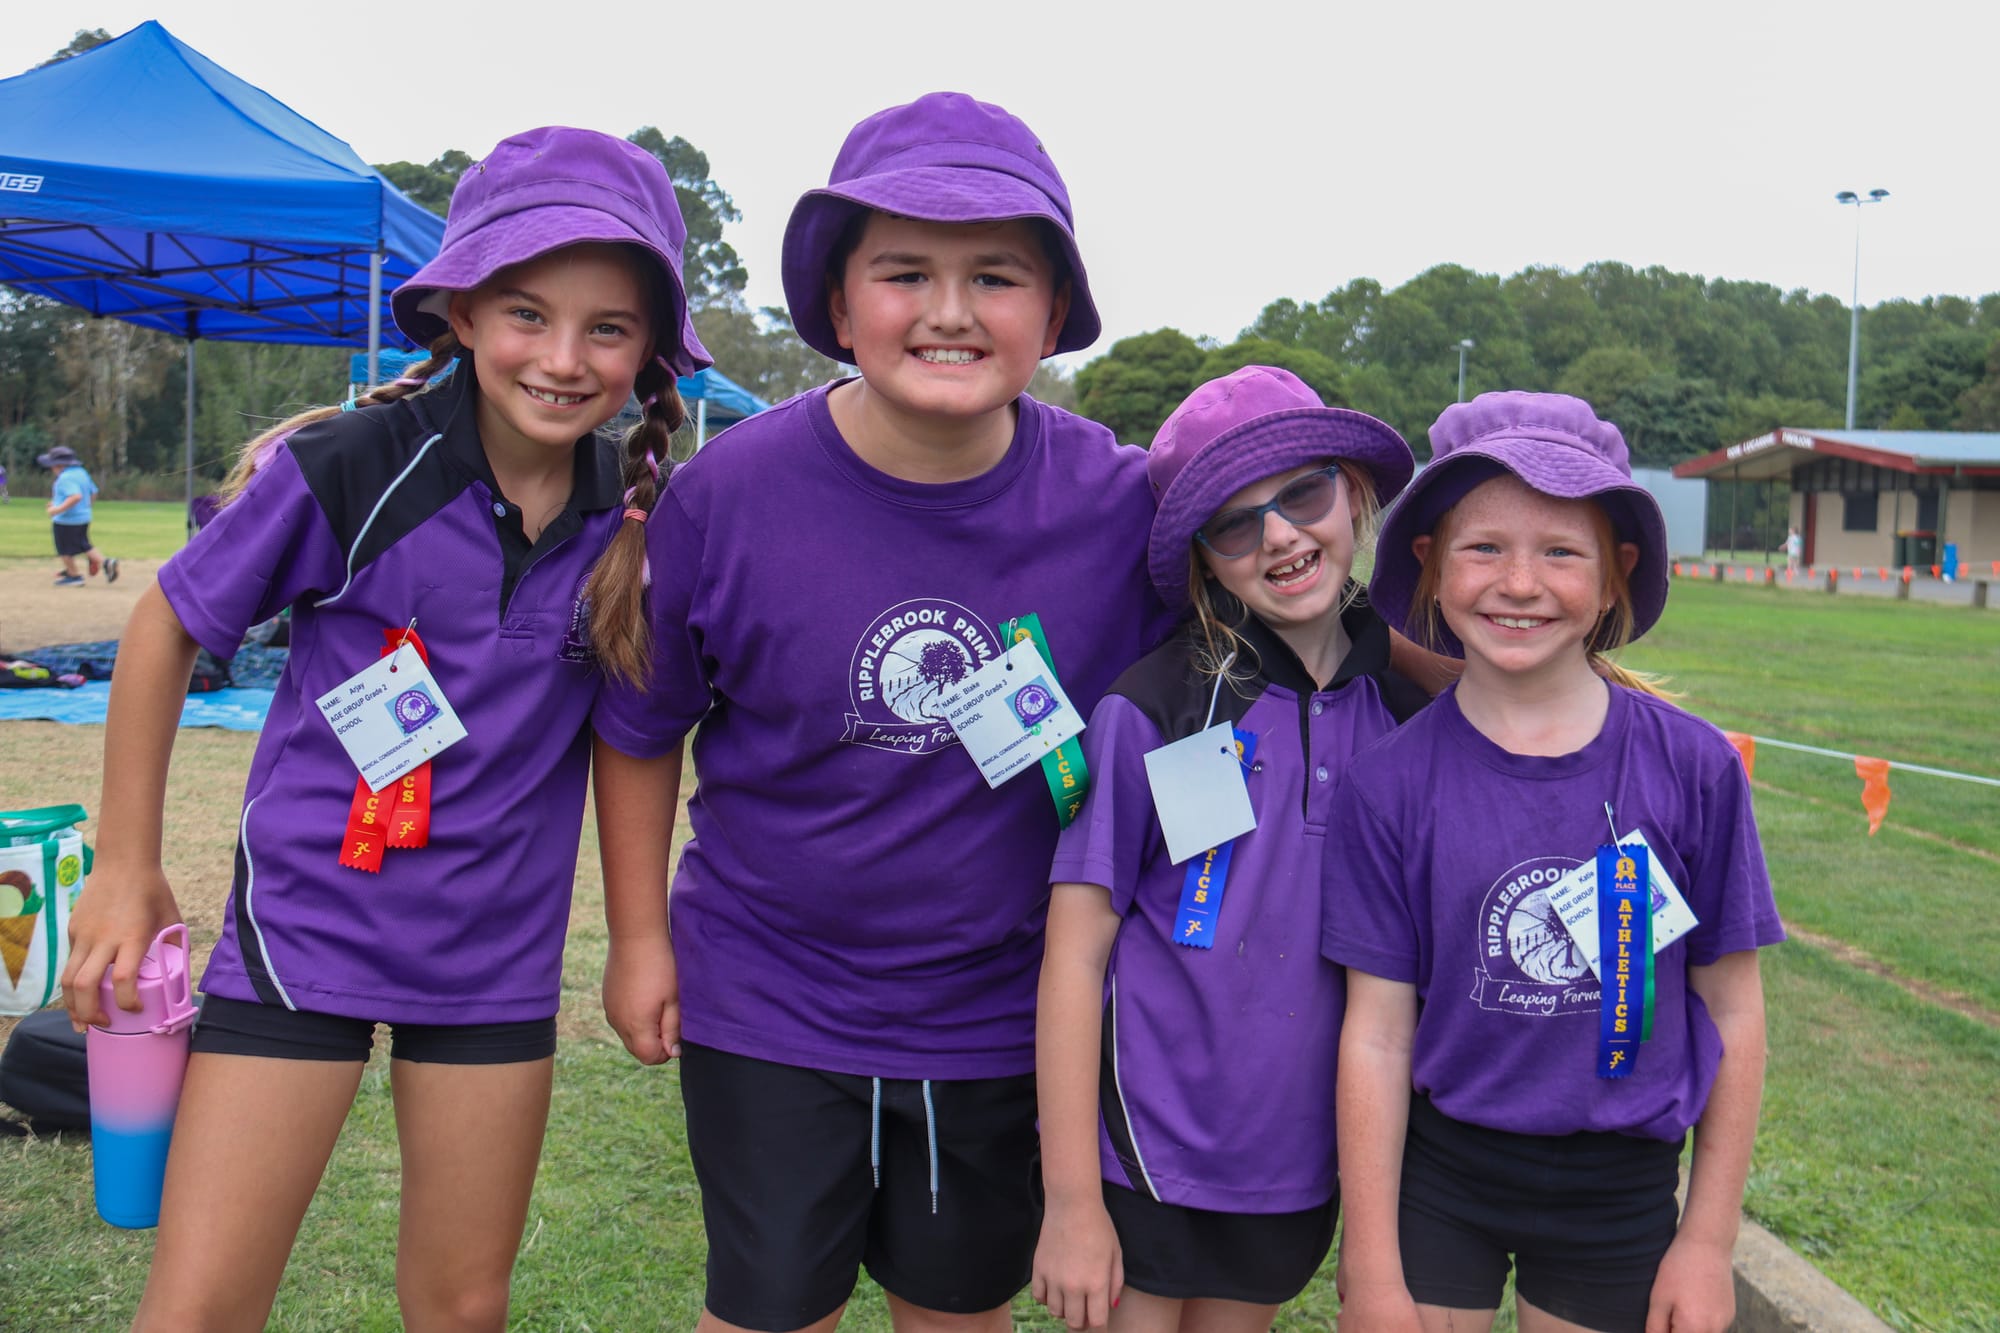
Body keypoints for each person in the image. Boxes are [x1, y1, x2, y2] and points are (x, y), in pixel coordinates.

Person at [59, 125, 710, 1332]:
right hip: (303, 936)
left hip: (491, 966)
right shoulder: (353, 465)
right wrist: (128, 863)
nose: (563, 359)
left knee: (462, 1307)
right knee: (199, 1305)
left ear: (650, 350)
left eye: (606, 328)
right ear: (459, 312)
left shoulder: (635, 514)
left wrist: (637, 939)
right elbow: (163, 627)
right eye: (525, 312)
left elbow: (635, 736)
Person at [591, 91, 1170, 1333]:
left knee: (957, 1308)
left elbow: (1278, 631)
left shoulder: (1122, 506)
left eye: (997, 275)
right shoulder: (727, 495)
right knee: (765, 1308)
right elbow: (641, 729)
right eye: (905, 271)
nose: (951, 310)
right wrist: (638, 938)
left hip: (1002, 1010)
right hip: (766, 989)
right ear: (840, 303)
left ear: (1053, 312)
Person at [1324, 392, 1785, 1333]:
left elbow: (1733, 1010)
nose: (1520, 583)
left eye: (1561, 552)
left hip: (1618, 1190)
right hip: (1443, 1173)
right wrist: (1370, 1268)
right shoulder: (1387, 784)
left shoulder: (1694, 769)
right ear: (1432, 567)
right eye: (1484, 547)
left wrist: (1705, 1242)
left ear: (1617, 575)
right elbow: (1376, 1033)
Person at [1031, 367, 1425, 1332]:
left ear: (1355, 491)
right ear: (1204, 558)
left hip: (1296, 1158)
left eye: (1302, 493)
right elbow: (1075, 954)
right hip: (1146, 1144)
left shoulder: (1413, 710)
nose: (1281, 537)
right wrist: (1073, 1199)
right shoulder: (1153, 707)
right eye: (1236, 522)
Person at [39, 445, 118, 586]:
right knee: (83, 544)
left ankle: (74, 575)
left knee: (63, 549)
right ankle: (106, 563)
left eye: (53, 465)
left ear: (59, 465)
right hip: (83, 517)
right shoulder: (81, 472)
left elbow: (75, 496)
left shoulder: (65, 478)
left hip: (66, 520)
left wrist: (56, 510)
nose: (52, 469)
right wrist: (85, 508)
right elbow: (93, 492)